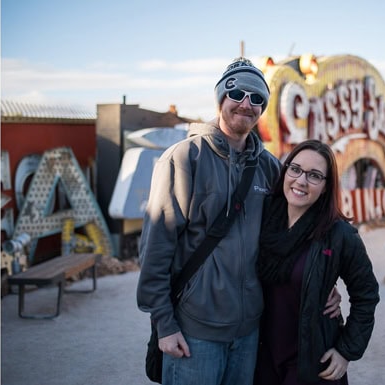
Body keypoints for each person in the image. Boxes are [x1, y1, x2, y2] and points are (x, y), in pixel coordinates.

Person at [136, 56, 280, 385]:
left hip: (248, 332)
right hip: (193, 330)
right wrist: (164, 324)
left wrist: (327, 282)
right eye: (239, 94)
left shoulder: (270, 168)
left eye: (257, 98)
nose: (247, 103)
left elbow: (293, 234)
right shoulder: (185, 158)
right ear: (221, 98)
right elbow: (155, 248)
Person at [253, 139, 380, 385]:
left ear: (325, 186)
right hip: (261, 355)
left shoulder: (339, 234)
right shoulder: (263, 216)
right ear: (286, 171)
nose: (301, 180)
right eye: (296, 169)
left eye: (314, 175)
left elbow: (366, 295)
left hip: (310, 361)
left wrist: (346, 350)